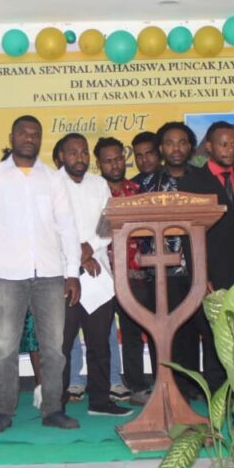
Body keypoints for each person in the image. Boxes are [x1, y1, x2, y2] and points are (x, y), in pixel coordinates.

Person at [0, 115, 82, 433]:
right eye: (23, 133)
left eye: (35, 134)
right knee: (5, 348)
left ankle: (53, 409)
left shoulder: (53, 179)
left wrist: (72, 273)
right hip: (5, 274)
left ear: (40, 139)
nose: (29, 138)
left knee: (53, 348)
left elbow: (67, 227)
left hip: (50, 273)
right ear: (12, 137)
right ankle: (3, 411)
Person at [138, 121, 222, 398]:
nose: (176, 148)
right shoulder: (148, 184)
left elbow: (218, 225)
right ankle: (175, 388)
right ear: (161, 148)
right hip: (163, 271)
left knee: (207, 329)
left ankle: (210, 388)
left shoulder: (204, 180)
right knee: (171, 332)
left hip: (201, 269)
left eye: (182, 142)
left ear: (190, 147)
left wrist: (210, 270)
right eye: (170, 143)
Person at [57, 133, 130, 417]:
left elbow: (108, 224)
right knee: (62, 344)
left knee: (100, 343)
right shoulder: (51, 185)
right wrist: (78, 254)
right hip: (64, 274)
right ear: (62, 156)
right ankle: (56, 404)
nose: (80, 158)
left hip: (98, 273)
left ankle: (100, 401)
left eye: (84, 152)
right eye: (73, 152)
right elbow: (48, 228)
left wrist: (89, 248)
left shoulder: (99, 184)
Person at [184, 121, 234, 391]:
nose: (230, 150)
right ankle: (217, 394)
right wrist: (201, 275)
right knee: (215, 335)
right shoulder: (193, 181)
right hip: (212, 270)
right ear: (209, 147)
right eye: (224, 144)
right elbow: (189, 234)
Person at [95, 136, 155, 404]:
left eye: (118, 158)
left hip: (134, 276)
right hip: (100, 276)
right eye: (108, 161)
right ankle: (102, 388)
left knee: (134, 333)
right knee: (99, 334)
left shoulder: (138, 192)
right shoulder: (94, 193)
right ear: (99, 164)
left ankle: (139, 386)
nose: (115, 164)